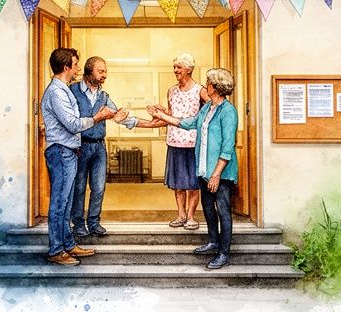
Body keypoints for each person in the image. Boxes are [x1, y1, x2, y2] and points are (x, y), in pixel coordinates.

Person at [147, 68, 237, 269]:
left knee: (223, 210)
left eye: (208, 83)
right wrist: (161, 115)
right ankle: (213, 241)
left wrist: (216, 175)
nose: (205, 86)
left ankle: (224, 253)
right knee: (207, 208)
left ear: (215, 87)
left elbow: (227, 147)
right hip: (205, 170)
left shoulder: (228, 111)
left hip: (220, 173)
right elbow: (187, 123)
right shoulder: (207, 109)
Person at [40, 47, 118, 266]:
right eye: (75, 64)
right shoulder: (58, 92)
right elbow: (74, 124)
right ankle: (56, 250)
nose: (77, 68)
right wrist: (97, 117)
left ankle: (68, 244)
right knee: (59, 202)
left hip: (68, 152)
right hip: (62, 151)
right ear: (66, 67)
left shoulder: (63, 90)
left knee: (65, 202)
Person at [69, 56, 154, 238]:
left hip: (99, 147)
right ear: (89, 71)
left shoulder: (104, 96)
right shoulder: (72, 91)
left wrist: (153, 123)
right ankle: (78, 224)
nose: (105, 75)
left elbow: (120, 118)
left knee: (99, 187)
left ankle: (94, 223)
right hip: (79, 147)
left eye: (105, 71)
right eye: (101, 71)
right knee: (79, 187)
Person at [156, 53, 209, 230]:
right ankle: (181, 215)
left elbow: (211, 112)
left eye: (178, 67)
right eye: (174, 67)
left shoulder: (201, 90)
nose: (175, 70)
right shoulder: (171, 90)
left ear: (189, 69)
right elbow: (170, 115)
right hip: (174, 142)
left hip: (194, 143)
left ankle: (192, 217)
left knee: (193, 184)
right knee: (178, 183)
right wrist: (161, 113)